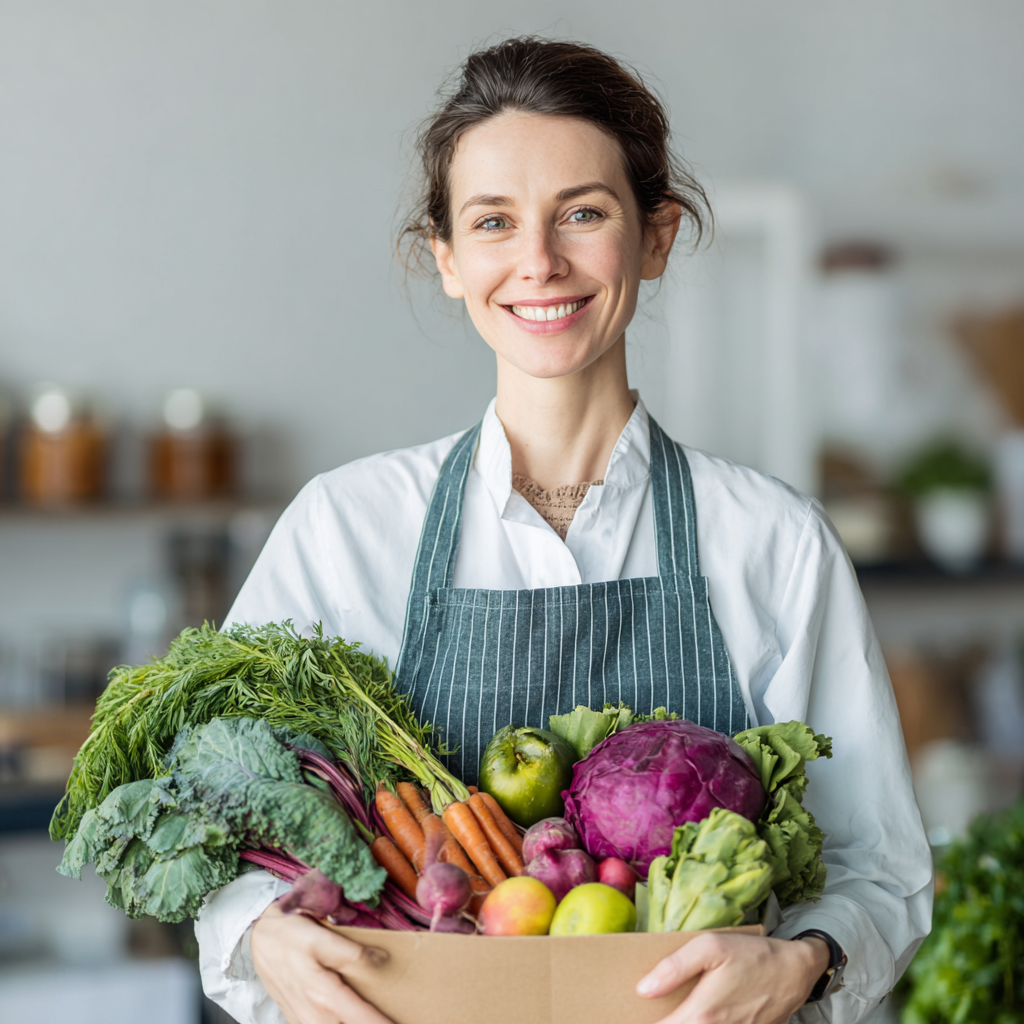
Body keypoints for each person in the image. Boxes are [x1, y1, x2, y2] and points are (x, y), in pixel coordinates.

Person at [196, 37, 932, 1024]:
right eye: (494, 222)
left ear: (656, 235)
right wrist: (257, 930)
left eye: (581, 214)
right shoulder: (346, 527)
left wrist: (805, 960)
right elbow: (214, 822)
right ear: (447, 258)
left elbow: (878, 869)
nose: (538, 262)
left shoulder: (771, 540)